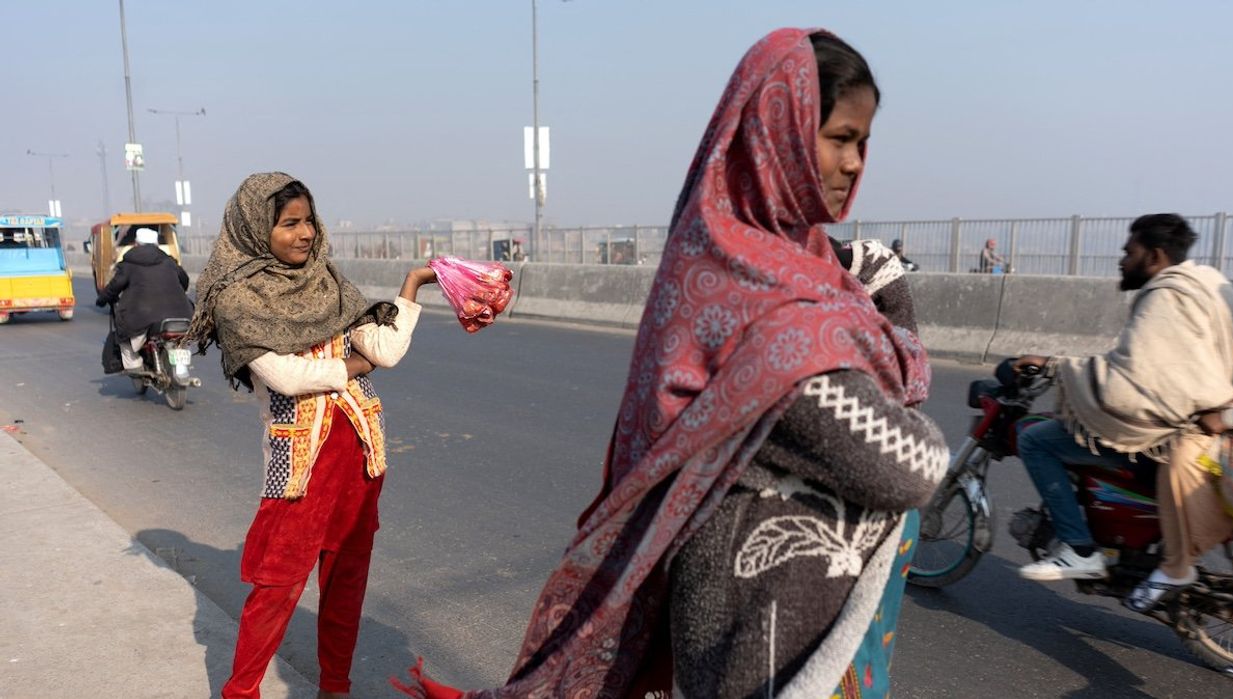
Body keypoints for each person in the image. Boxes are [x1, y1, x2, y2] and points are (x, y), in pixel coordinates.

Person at [395, 28, 945, 699]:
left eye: (862, 141)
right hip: (767, 654)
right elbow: (913, 464)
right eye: (838, 137)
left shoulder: (730, 262)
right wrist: (887, 303)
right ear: (779, 135)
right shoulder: (783, 326)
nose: (855, 162)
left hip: (749, 628)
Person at [186, 173, 437, 698]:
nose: (305, 234)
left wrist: (411, 286)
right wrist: (353, 365)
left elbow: (386, 352)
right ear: (258, 228)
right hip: (298, 468)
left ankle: (335, 688)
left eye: (308, 221)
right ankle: (241, 691)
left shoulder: (329, 283)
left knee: (346, 585)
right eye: (289, 223)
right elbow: (287, 377)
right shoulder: (238, 300)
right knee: (276, 587)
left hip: (361, 461)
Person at [1013, 214, 1233, 609]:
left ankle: (1078, 547)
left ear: (1154, 255)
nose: (1121, 260)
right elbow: (1158, 365)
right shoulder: (1206, 283)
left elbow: (1130, 384)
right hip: (1213, 422)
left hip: (1171, 434)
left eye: (1128, 252)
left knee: (1036, 440)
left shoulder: (1165, 297)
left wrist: (1056, 367)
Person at [95, 227, 193, 374]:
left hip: (142, 317)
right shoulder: (169, 261)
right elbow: (184, 281)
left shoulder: (128, 264)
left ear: (136, 244)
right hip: (181, 313)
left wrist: (102, 299)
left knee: (123, 335)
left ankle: (135, 366)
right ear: (156, 244)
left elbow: (114, 287)